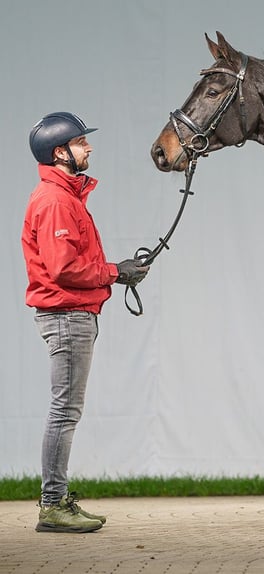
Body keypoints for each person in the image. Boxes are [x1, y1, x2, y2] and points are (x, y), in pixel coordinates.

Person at [22, 112, 149, 533]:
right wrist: (117, 271)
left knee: (65, 410)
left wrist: (117, 271)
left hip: (70, 314)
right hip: (67, 315)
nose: (88, 147)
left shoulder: (64, 197)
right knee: (65, 411)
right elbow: (63, 269)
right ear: (60, 153)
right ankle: (53, 505)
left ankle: (55, 502)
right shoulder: (56, 201)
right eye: (80, 142)